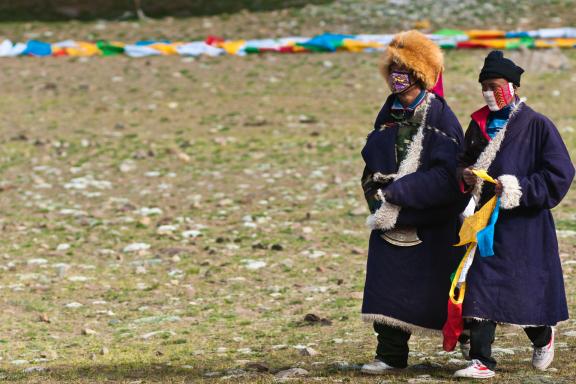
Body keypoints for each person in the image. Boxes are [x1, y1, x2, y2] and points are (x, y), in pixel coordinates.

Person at [454, 50, 575, 379]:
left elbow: (560, 173)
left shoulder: (537, 125)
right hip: (484, 222)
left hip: (524, 225)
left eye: (493, 85)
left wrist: (514, 189)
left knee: (522, 292)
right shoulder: (478, 123)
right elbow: (464, 160)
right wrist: (465, 175)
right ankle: (482, 361)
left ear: (512, 86)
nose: (488, 92)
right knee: (480, 285)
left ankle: (542, 335)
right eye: (484, 86)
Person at [359, 30, 467, 374]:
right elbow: (371, 164)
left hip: (431, 218)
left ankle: (473, 344)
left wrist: (402, 192)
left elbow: (448, 175)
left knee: (444, 282)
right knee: (386, 283)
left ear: (419, 74)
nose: (395, 75)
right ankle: (390, 354)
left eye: (402, 68)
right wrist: (378, 199)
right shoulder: (388, 114)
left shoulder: (439, 118)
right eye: (392, 68)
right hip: (391, 218)